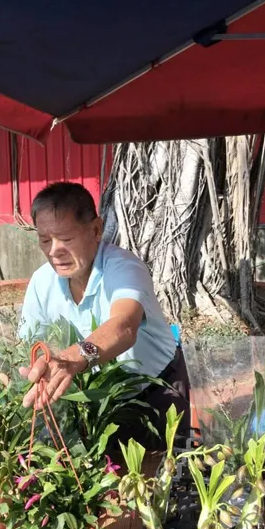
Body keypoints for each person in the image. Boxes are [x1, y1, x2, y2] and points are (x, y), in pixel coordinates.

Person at [18, 181, 189, 443]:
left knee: (162, 475)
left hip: (155, 392)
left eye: (66, 239)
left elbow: (123, 326)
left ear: (96, 229)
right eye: (44, 240)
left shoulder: (124, 268)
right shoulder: (42, 282)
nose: (54, 251)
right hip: (94, 401)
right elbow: (29, 342)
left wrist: (72, 359)